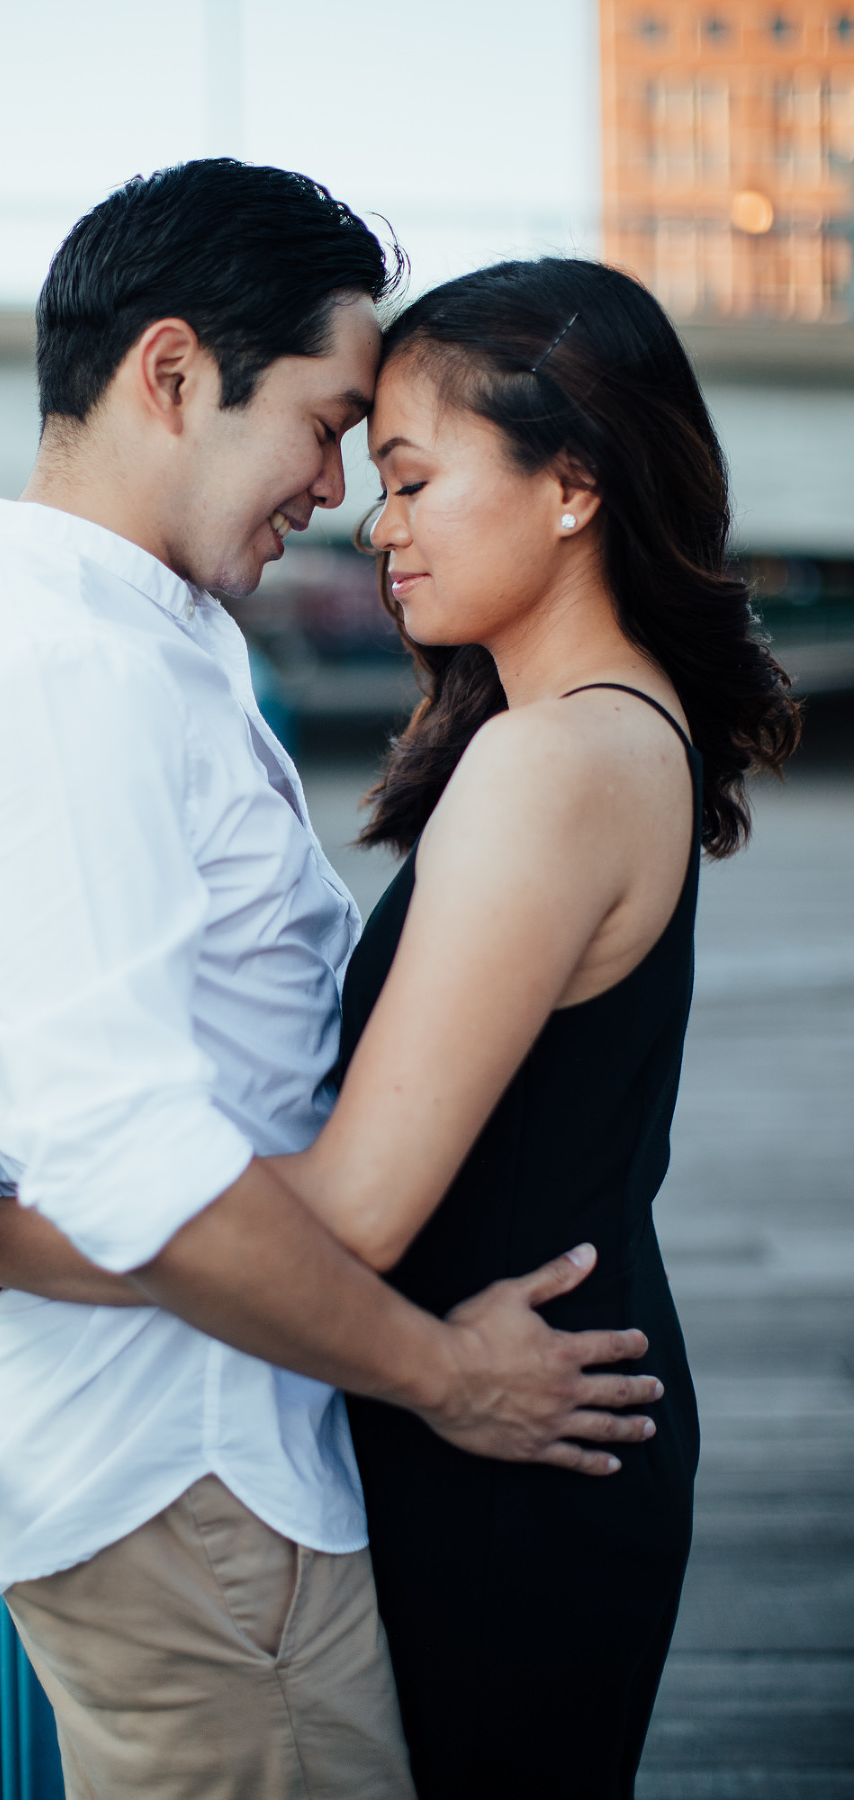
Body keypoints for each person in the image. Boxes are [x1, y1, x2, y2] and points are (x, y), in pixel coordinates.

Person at [0, 163, 662, 1800]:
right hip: (197, 1489)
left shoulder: (144, 649)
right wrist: (447, 1374)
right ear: (172, 375)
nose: (343, 486)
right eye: (324, 421)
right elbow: (148, 1170)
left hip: (233, 1471)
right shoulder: (65, 687)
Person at [256, 259, 799, 1797]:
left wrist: (10, 1233)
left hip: (507, 1454)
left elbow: (356, 1211)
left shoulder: (552, 761)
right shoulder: (616, 727)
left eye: (416, 479)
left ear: (573, 485)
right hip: (539, 1426)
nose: (382, 524)